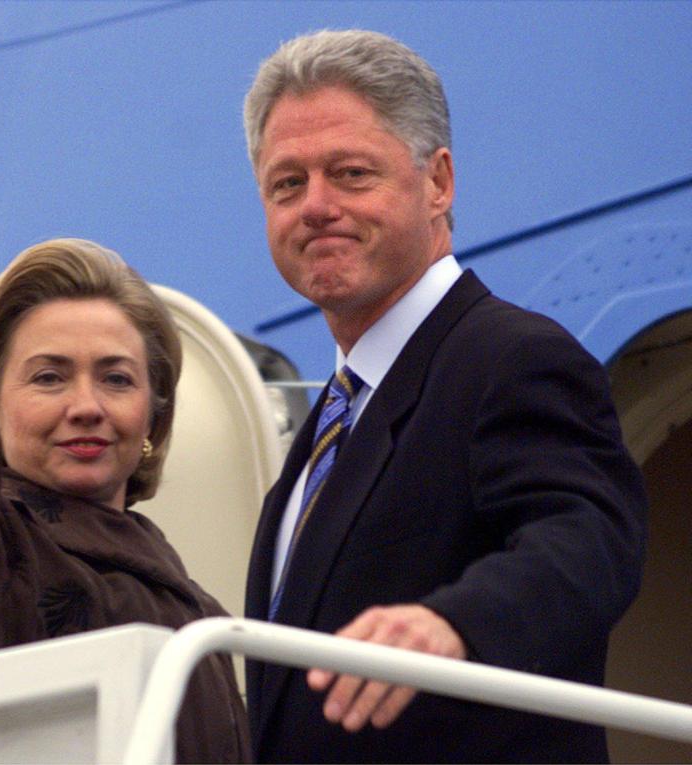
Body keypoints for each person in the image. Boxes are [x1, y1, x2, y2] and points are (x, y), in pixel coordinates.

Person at [241, 30, 646, 763]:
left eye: (351, 172)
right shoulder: (327, 429)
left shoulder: (512, 358)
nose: (316, 206)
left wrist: (452, 624)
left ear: (439, 182)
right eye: (287, 184)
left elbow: (591, 539)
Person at [0, 84, 251, 763]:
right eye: (49, 375)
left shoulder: (200, 608)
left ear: (154, 412)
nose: (85, 404)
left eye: (117, 378)